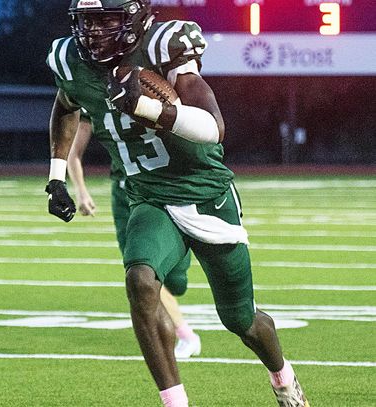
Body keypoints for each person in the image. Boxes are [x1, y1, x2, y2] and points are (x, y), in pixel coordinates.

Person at [45, 1, 309, 406]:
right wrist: (57, 176)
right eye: (88, 21)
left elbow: (213, 127)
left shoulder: (163, 45)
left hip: (205, 195)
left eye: (107, 19)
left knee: (242, 321)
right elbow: (66, 106)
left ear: (134, 17)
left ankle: (283, 377)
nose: (95, 31)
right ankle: (175, 402)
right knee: (140, 282)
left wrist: (148, 107)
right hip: (149, 197)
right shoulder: (71, 59)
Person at [67, 116, 201, 359]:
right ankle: (186, 334)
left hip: (162, 188)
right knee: (142, 273)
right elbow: (73, 152)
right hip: (125, 194)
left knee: (176, 281)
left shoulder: (151, 86)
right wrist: (81, 192)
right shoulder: (91, 96)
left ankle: (177, 326)